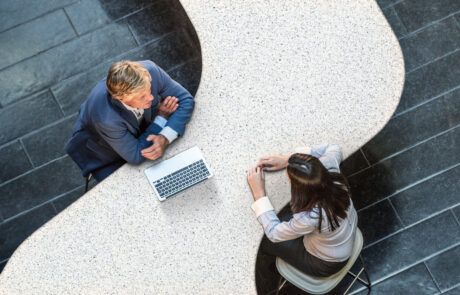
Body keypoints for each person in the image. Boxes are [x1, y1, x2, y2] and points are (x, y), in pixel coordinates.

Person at [66, 60, 195, 182]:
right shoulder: (105, 118)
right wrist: (161, 118)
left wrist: (166, 137)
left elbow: (185, 99)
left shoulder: (151, 71)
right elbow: (136, 155)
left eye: (149, 89)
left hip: (138, 129)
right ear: (121, 99)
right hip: (104, 154)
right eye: (142, 96)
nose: (151, 97)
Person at [247, 143, 357, 278]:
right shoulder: (330, 170)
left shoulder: (309, 217)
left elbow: (273, 233)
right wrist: (289, 160)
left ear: (298, 187)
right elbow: (334, 148)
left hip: (326, 262)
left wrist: (259, 193)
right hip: (342, 236)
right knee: (282, 215)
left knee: (261, 241)